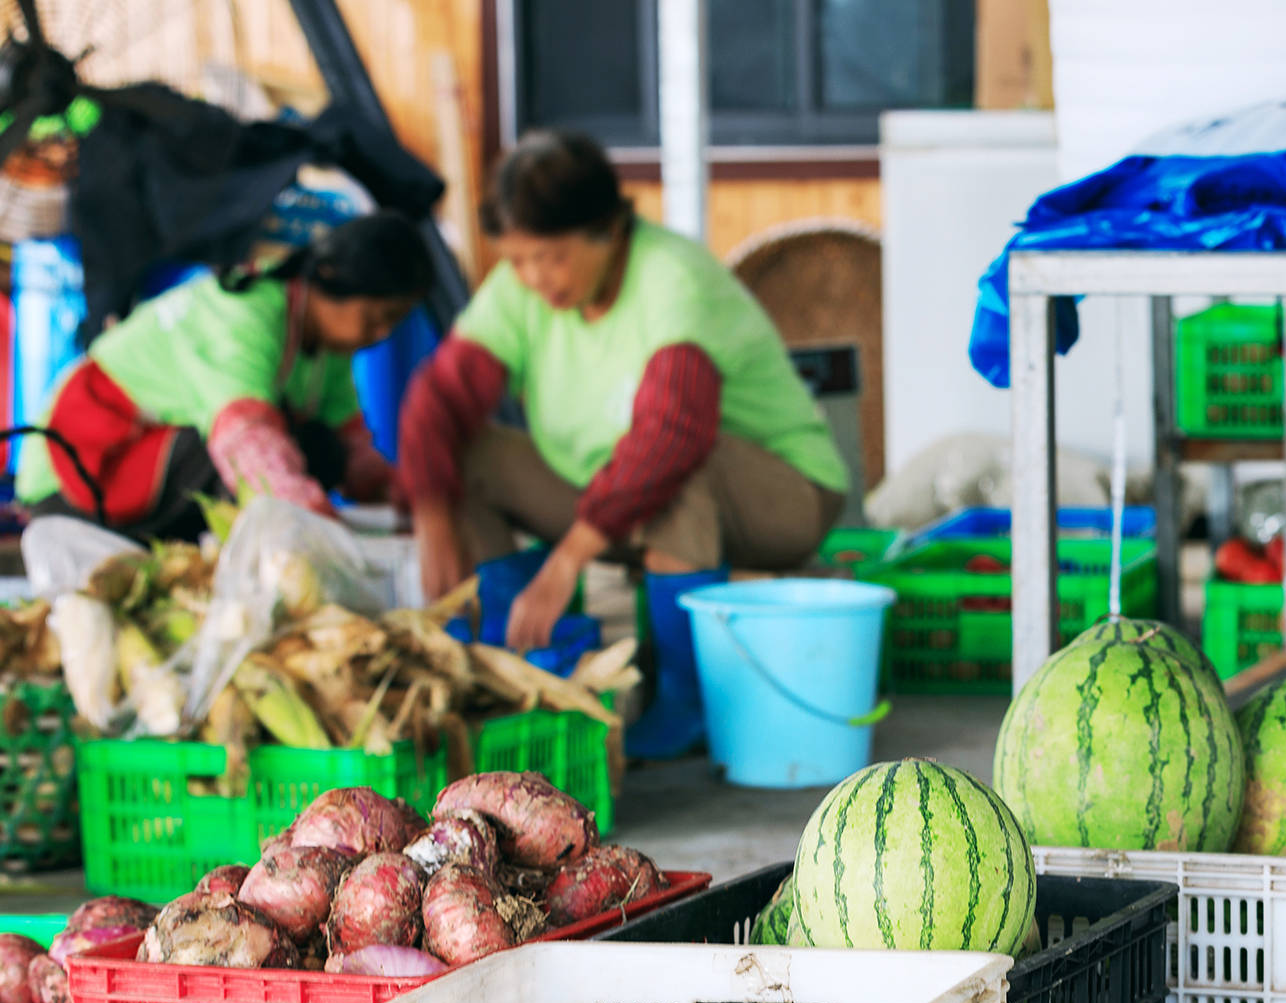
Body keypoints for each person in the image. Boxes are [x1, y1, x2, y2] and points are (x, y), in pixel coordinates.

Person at [397, 130, 850, 759]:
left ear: (608, 230)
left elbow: (669, 438)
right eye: (518, 259)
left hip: (781, 497)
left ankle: (687, 701)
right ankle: (507, 663)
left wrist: (565, 564)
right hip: (609, 492)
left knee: (676, 472)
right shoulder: (523, 288)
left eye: (551, 256)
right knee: (469, 460)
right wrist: (432, 516)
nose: (534, 277)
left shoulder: (671, 279)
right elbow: (439, 399)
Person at [14, 213, 433, 540]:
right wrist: (317, 528)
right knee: (263, 450)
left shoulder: (327, 348)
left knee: (318, 448)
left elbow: (351, 446)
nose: (381, 335)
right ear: (331, 278)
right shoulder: (245, 312)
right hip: (81, 477)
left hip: (153, 469)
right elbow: (246, 440)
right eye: (378, 317)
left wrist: (407, 500)